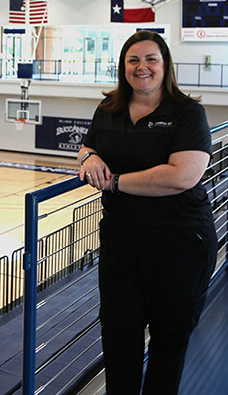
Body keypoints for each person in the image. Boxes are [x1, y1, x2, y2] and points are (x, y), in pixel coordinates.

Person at [77, 31, 217, 395]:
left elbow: (182, 176)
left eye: (151, 59)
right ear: (123, 67)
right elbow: (88, 145)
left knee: (169, 340)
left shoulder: (187, 112)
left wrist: (116, 182)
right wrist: (89, 157)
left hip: (180, 242)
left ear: (165, 65)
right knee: (119, 336)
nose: (142, 68)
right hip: (122, 242)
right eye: (133, 60)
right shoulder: (108, 109)